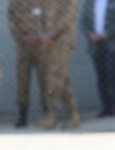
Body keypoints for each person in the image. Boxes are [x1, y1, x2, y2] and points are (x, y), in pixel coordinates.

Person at [7, 0, 51, 128]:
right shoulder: (15, 3)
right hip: (23, 47)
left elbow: (49, 20)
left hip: (42, 47)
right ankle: (22, 114)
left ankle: (48, 112)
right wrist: (22, 37)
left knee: (45, 79)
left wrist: (39, 36)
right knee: (23, 81)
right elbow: (12, 22)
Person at [40, 0, 81, 130]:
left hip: (63, 38)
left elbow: (67, 18)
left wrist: (51, 35)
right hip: (50, 39)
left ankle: (52, 115)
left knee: (57, 75)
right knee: (61, 76)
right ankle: (73, 115)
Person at [81, 0, 115, 117]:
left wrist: (107, 33)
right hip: (96, 45)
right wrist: (90, 34)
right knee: (101, 76)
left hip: (110, 44)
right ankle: (106, 107)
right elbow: (83, 22)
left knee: (112, 75)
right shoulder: (89, 3)